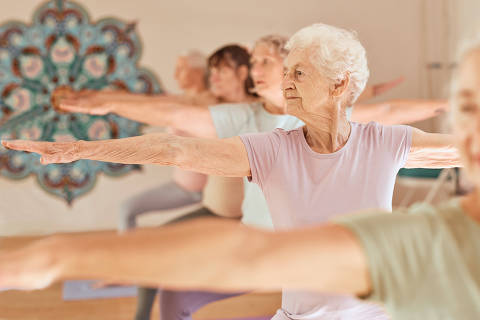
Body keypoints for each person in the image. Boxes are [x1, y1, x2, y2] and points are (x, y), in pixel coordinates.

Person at [2, 23, 461, 319]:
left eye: (299, 73)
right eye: (286, 72)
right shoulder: (270, 151)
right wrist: (80, 149)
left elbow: (461, 150)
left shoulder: (386, 142)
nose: (285, 83)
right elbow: (174, 149)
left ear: (340, 83)